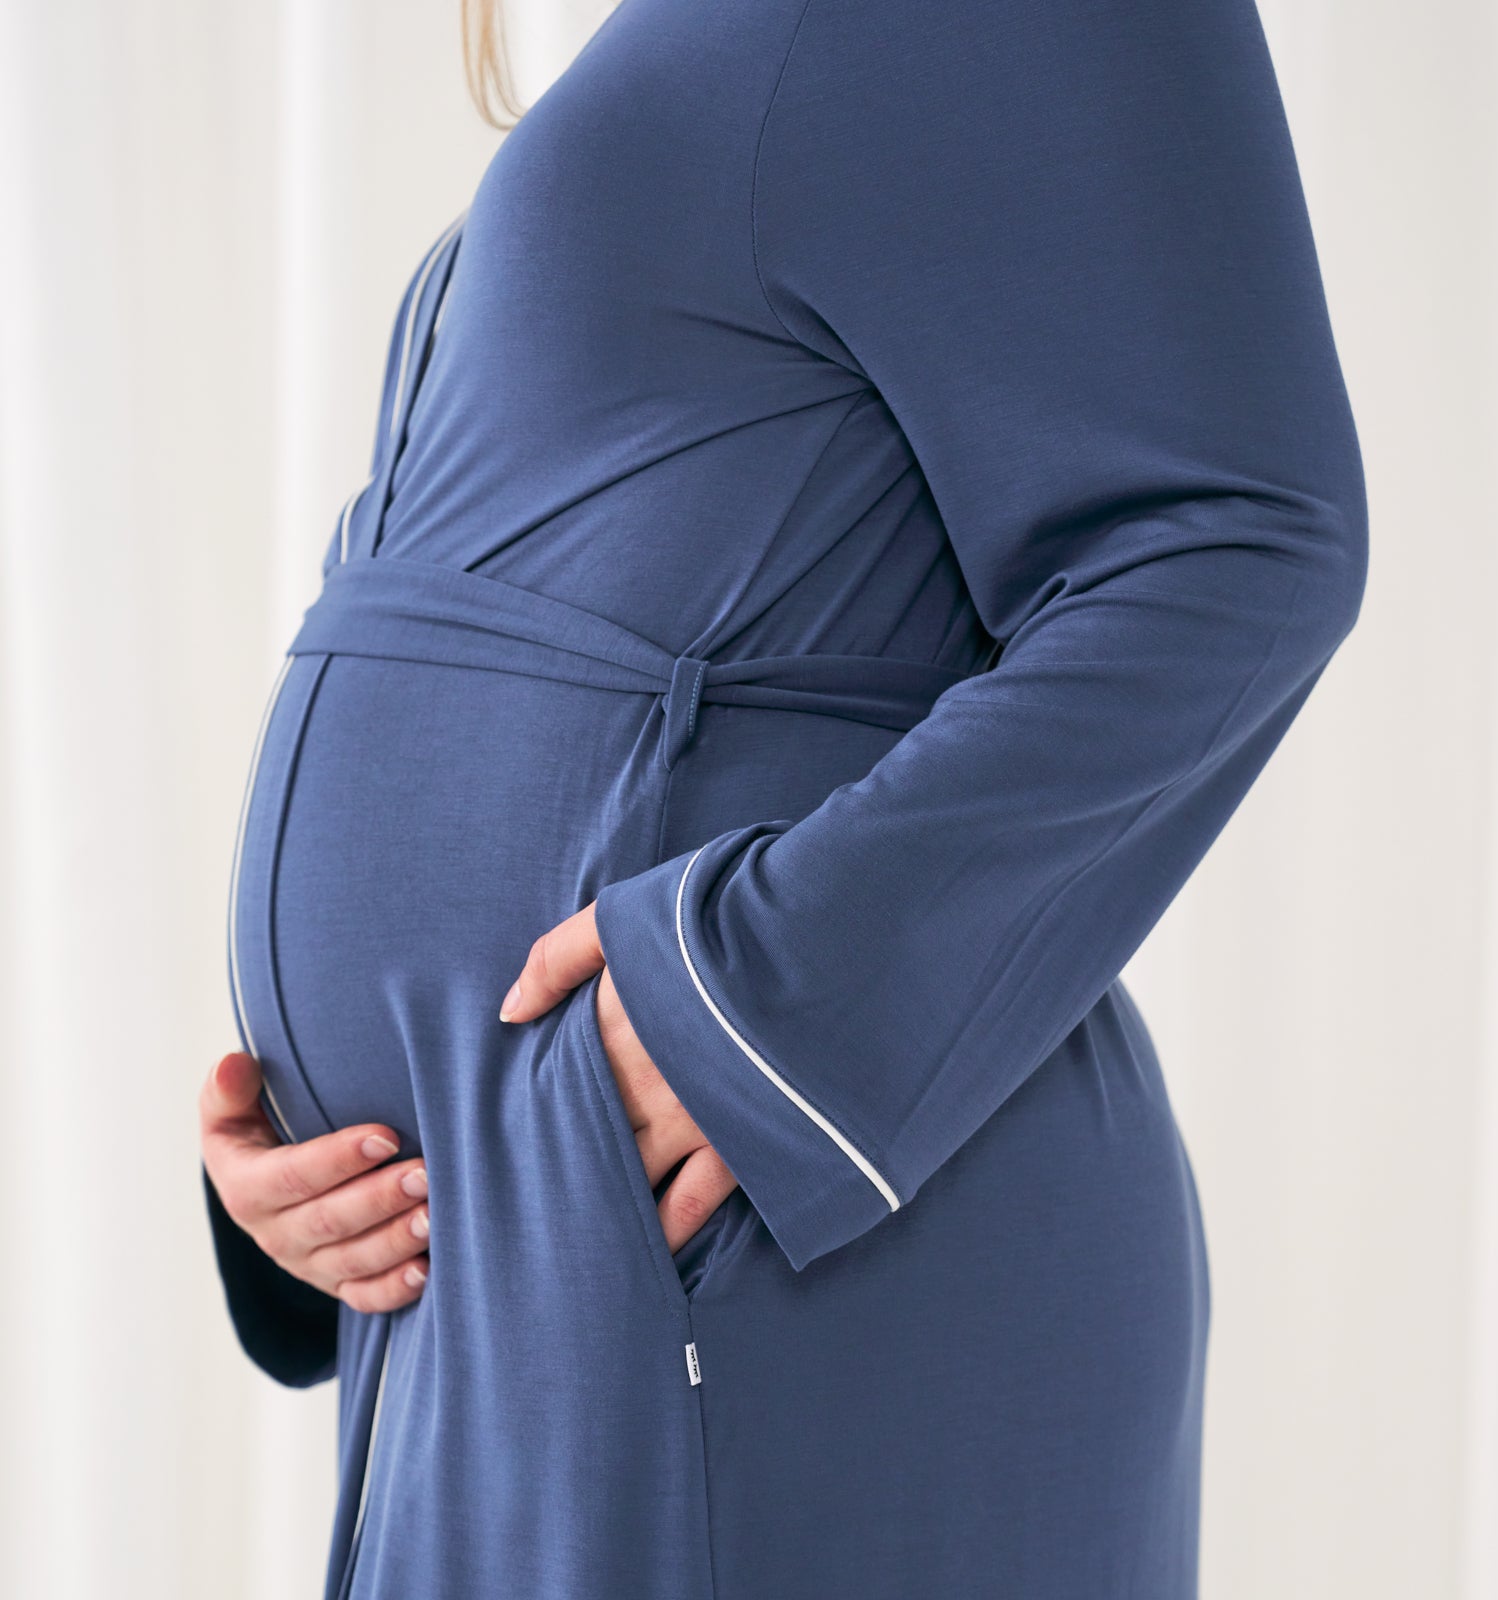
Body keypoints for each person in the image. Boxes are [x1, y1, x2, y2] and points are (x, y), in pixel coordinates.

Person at [198, 0, 1368, 1594]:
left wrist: (763, 1011)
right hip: (512, 1278)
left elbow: (1242, 540)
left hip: (793, 1248)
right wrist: (324, 1145)